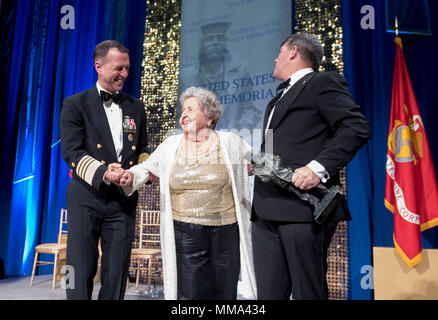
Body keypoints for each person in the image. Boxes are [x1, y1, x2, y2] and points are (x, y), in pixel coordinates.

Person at [251, 33, 371, 300]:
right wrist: (258, 165)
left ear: (293, 52)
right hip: (265, 211)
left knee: (308, 292)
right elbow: (271, 151)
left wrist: (317, 169)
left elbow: (356, 127)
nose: (275, 58)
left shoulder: (322, 82)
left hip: (302, 209)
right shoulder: (274, 101)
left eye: (279, 52)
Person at [115, 87, 257, 300]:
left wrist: (253, 165)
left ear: (209, 118)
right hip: (186, 232)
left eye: (191, 109)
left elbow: (259, 161)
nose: (184, 114)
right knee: (190, 294)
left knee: (224, 292)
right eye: (183, 110)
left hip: (226, 232)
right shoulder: (171, 145)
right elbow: (145, 169)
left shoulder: (230, 142)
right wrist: (128, 176)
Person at [60, 40, 148, 300]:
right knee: (78, 268)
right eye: (118, 68)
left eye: (127, 69)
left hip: (123, 200)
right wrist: (103, 172)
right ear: (98, 66)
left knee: (116, 273)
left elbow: (142, 149)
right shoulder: (75, 104)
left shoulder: (136, 106)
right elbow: (72, 152)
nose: (124, 74)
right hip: (86, 197)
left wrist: (138, 173)